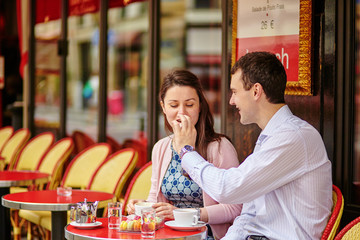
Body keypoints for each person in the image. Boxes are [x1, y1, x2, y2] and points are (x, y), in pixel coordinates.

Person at [172, 52, 333, 240]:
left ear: (256, 91)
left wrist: (186, 152)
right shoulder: (271, 137)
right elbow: (249, 214)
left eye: (235, 92)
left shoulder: (293, 137)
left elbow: (227, 188)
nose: (231, 101)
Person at [126, 69, 243, 239]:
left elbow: (234, 208)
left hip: (206, 235)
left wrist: (183, 214)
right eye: (173, 105)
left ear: (200, 106)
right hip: (168, 234)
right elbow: (156, 199)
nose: (182, 112)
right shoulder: (161, 147)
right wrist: (144, 205)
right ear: (163, 107)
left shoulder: (219, 147)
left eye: (189, 105)